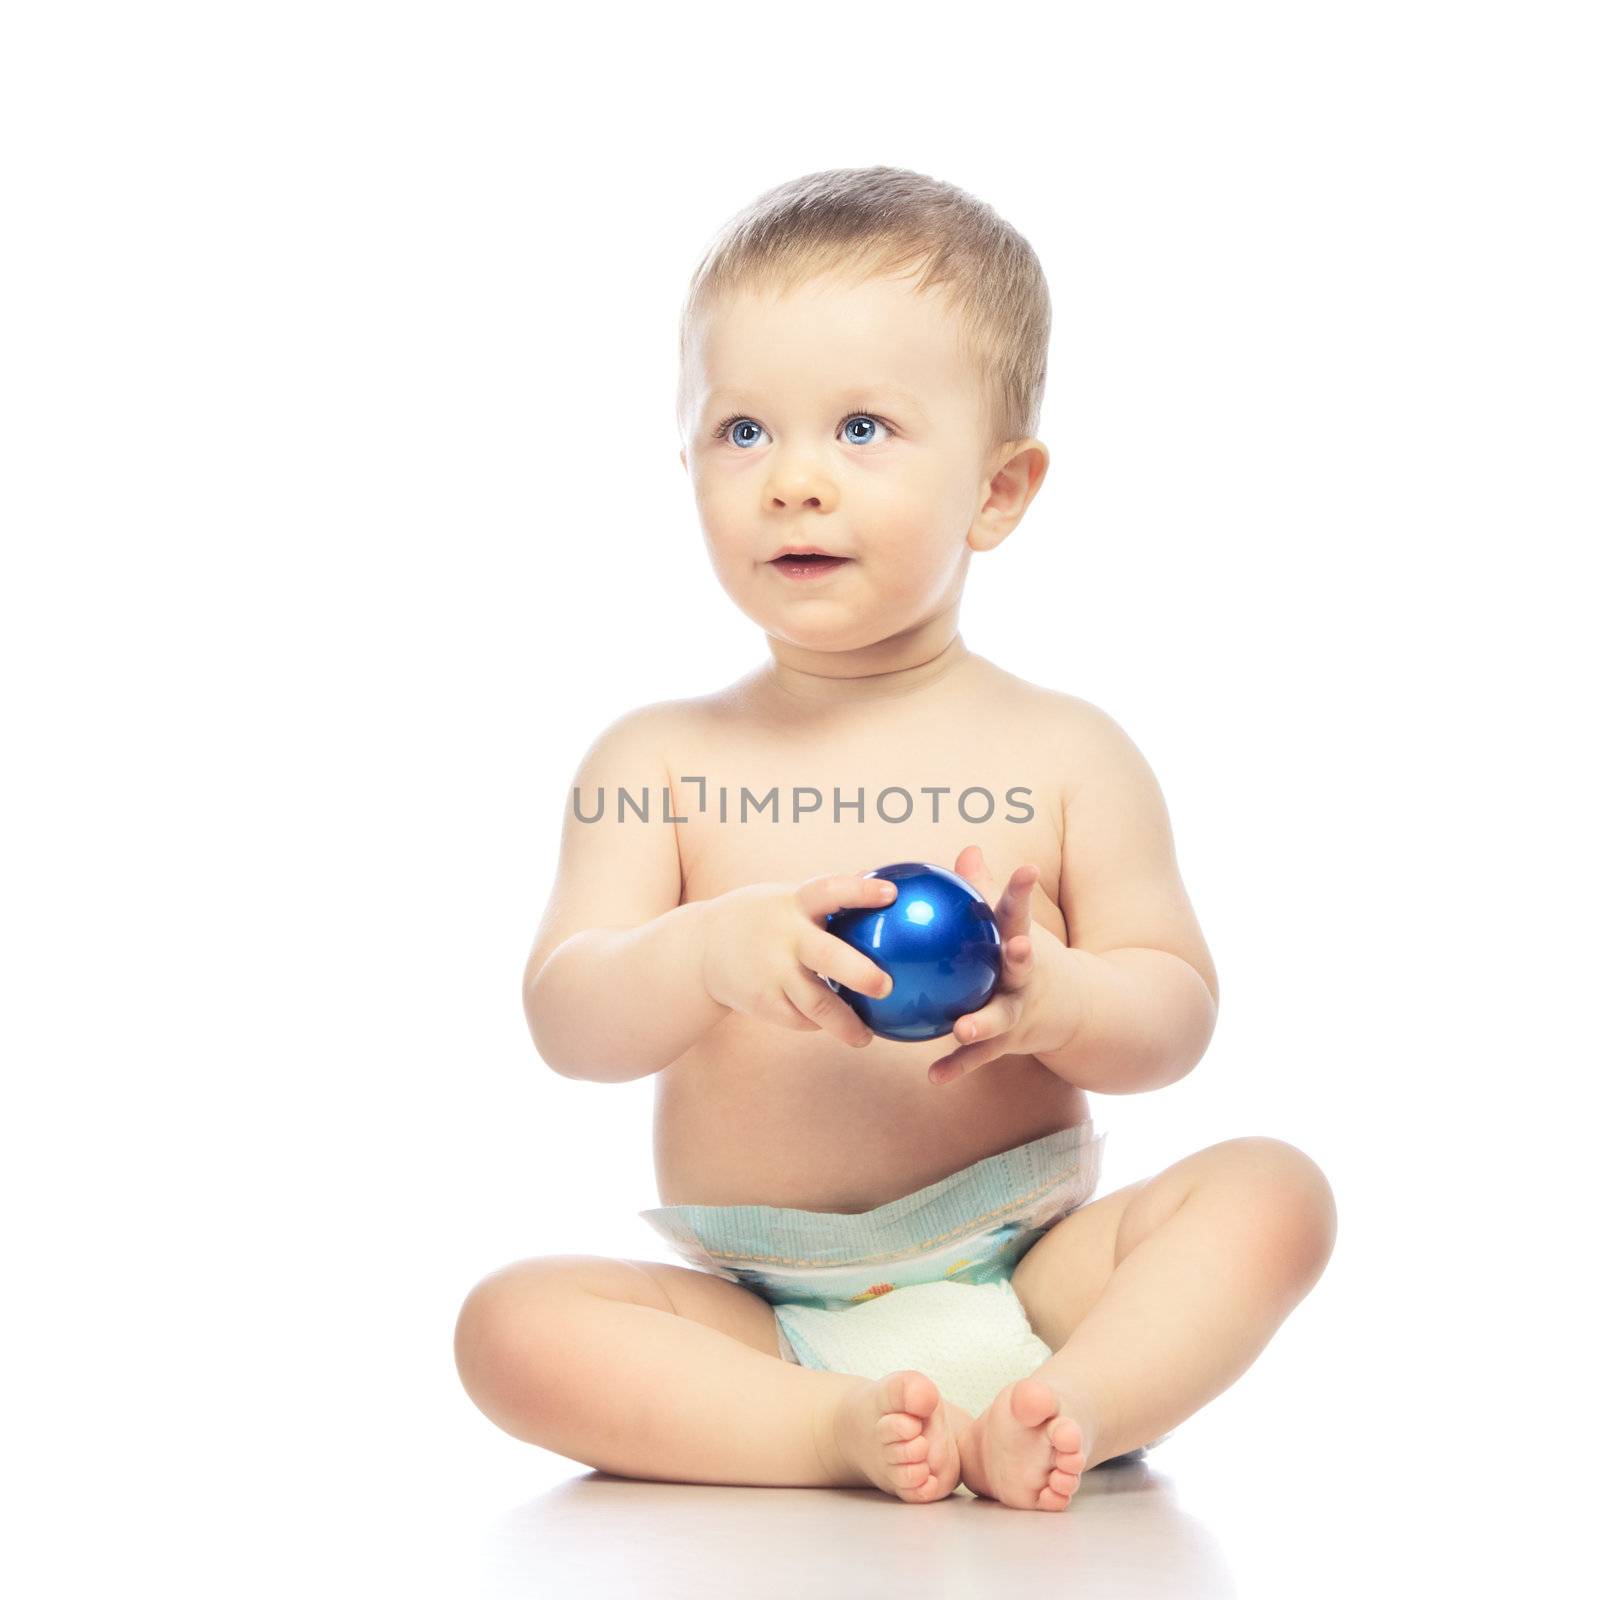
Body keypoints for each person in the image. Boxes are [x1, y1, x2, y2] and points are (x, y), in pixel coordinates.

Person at [454, 166, 1337, 1511]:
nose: (793, 482)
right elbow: (568, 1020)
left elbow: (1177, 1016)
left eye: (861, 428)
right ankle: (826, 1431)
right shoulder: (654, 764)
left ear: (998, 491)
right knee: (509, 1330)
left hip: (1035, 1272)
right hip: (769, 1315)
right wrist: (704, 955)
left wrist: (1064, 996)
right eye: (742, 432)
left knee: (1275, 1193)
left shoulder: (1071, 754)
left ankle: (1075, 1403)